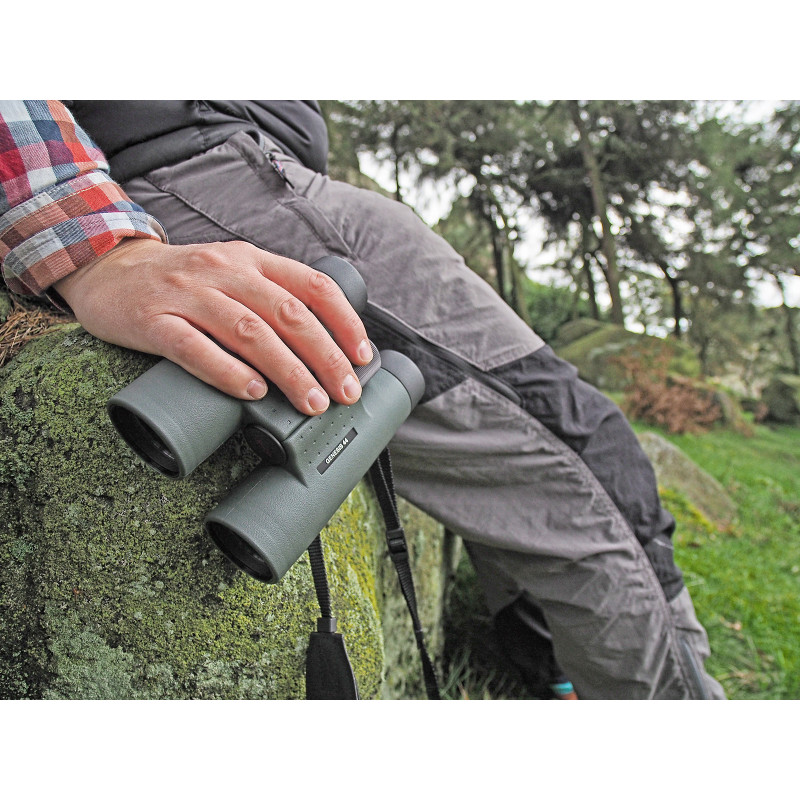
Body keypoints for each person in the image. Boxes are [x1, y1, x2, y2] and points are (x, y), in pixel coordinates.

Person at [0, 100, 725, 699]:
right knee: (586, 454)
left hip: (233, 168)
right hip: (196, 172)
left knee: (521, 425)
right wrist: (96, 244)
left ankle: (553, 667)